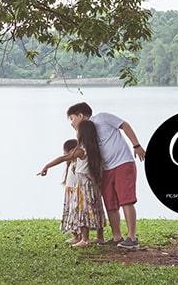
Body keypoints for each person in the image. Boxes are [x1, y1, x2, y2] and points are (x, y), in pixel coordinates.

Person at [66, 102, 145, 250]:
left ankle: (132, 238)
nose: (72, 122)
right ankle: (117, 237)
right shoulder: (87, 132)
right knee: (110, 202)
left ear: (81, 116)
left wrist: (136, 145)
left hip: (123, 162)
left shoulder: (102, 118)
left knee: (126, 200)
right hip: (107, 168)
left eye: (72, 118)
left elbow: (125, 125)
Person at [38, 124, 106, 247]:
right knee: (95, 207)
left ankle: (84, 239)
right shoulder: (96, 148)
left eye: (77, 131)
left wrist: (47, 166)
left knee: (83, 209)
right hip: (92, 183)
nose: (76, 133)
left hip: (83, 184)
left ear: (82, 134)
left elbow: (64, 158)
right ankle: (99, 237)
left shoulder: (81, 150)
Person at [37, 138, 80, 243]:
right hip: (70, 192)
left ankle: (79, 236)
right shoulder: (71, 165)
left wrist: (47, 166)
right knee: (71, 213)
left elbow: (61, 158)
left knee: (75, 214)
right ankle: (75, 235)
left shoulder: (77, 162)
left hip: (75, 191)